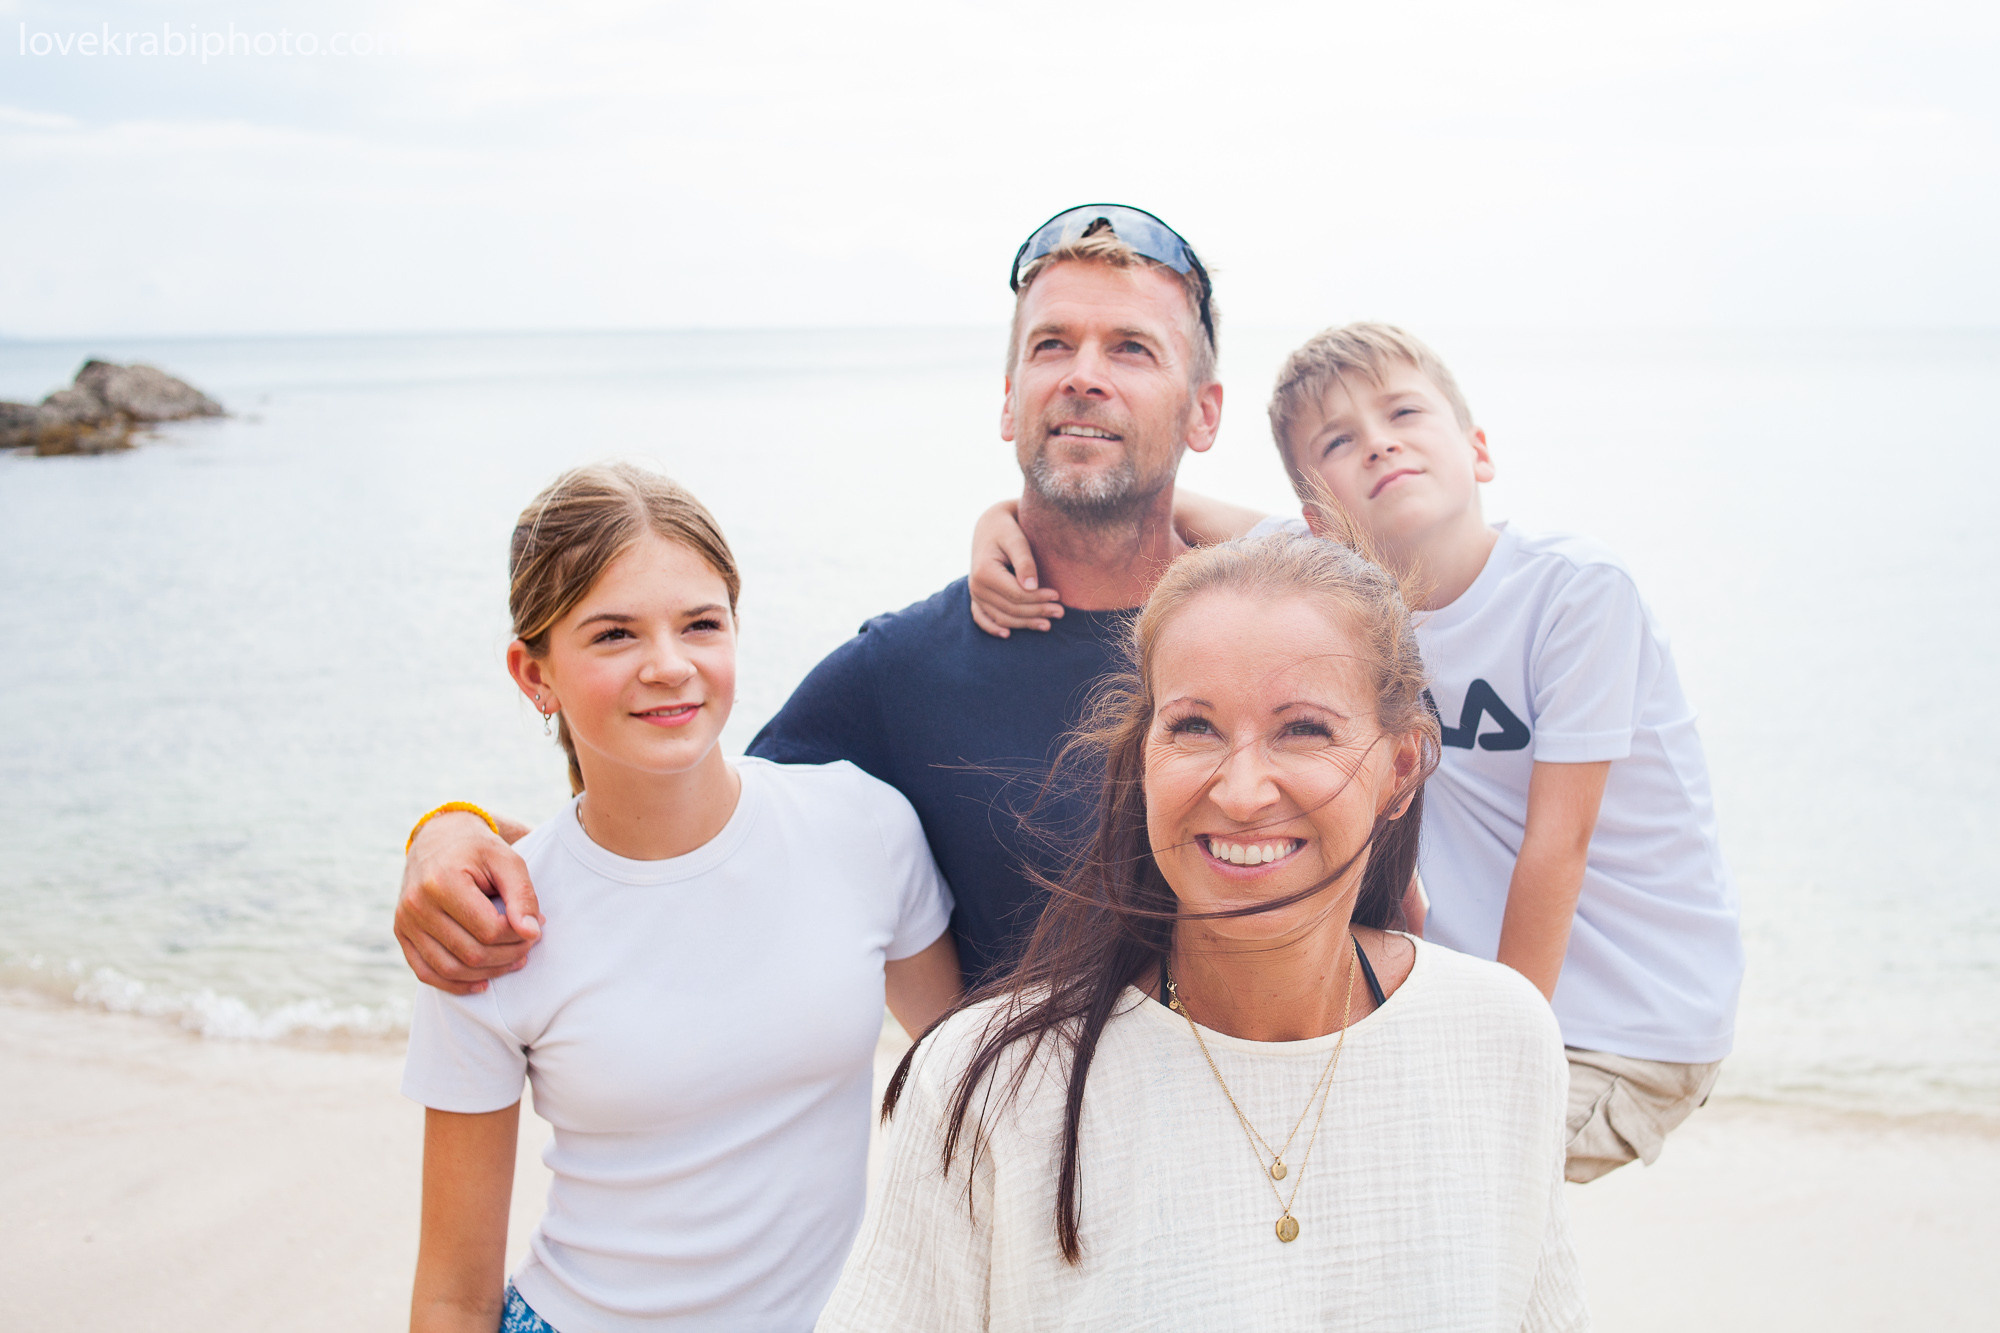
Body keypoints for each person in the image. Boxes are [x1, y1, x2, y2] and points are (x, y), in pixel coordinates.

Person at [968, 322, 1743, 1183]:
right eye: (1339, 441)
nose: (1380, 443)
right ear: (1315, 518)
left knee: (1365, 1176)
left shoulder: (1576, 594)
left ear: (1479, 449)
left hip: (1627, 1028)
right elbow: (1170, 519)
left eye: (1404, 412)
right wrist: (1001, 521)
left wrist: (1501, 1057)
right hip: (1502, 1000)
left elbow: (1559, 846)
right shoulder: (1340, 591)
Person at [391, 205, 1231, 995]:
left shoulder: (1273, 639)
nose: (1084, 376)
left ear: (1204, 411)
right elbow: (674, 837)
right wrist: (450, 827)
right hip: (1035, 1146)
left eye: (1131, 348)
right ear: (1009, 400)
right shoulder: (903, 671)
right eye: (1052, 345)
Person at [819, 531, 1585, 1331]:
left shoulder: (1502, 1036)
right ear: (1145, 757)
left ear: (1400, 769)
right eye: (1194, 727)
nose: (1244, 789)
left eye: (1304, 729)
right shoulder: (988, 1084)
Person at [402, 462, 960, 1333]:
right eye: (614, 634)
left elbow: (979, 1085)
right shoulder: (486, 924)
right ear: (533, 673)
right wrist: (441, 825)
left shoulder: (863, 827)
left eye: (701, 624)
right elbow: (450, 1294)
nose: (669, 666)